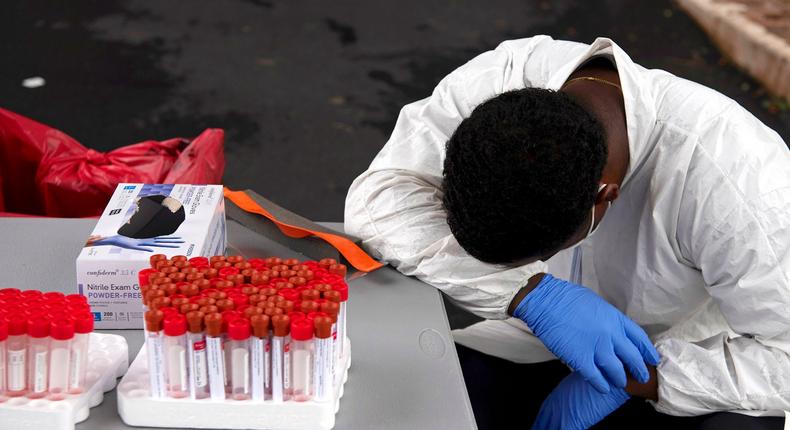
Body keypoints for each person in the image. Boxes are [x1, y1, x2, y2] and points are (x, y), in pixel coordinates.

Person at [344, 36, 790, 429]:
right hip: (523, 340)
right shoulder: (499, 81)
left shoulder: (740, 180)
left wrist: (641, 377)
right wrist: (531, 295)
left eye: (531, 261)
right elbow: (380, 199)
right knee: (393, 402)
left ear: (604, 198)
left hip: (683, 368)